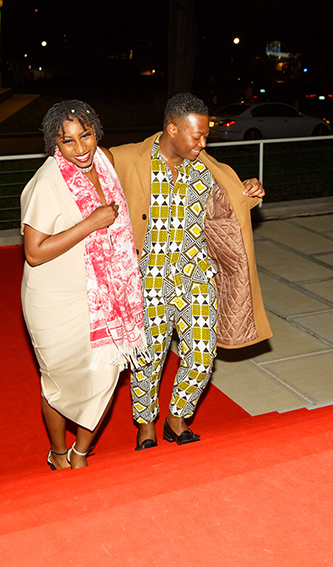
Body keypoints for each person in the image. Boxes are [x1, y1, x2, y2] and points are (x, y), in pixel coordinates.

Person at [111, 93, 272, 450]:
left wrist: (252, 191)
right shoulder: (127, 159)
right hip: (148, 276)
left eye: (205, 136)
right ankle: (146, 422)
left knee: (202, 353)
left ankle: (177, 416)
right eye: (196, 135)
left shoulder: (206, 168)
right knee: (148, 358)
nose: (203, 143)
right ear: (171, 128)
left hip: (196, 274)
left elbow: (231, 203)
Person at [20, 100, 147, 470]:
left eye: (85, 136)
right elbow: (34, 252)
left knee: (105, 375)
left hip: (104, 298)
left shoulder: (104, 160)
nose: (80, 149)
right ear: (54, 144)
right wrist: (91, 223)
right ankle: (59, 453)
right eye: (68, 142)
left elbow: (158, 148)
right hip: (54, 300)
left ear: (96, 132)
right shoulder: (47, 182)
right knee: (58, 382)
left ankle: (80, 452)